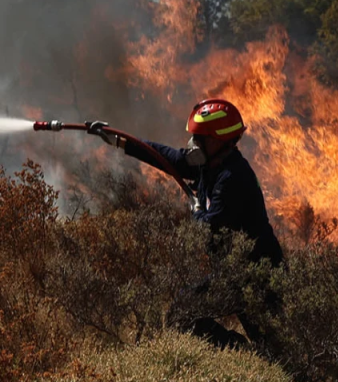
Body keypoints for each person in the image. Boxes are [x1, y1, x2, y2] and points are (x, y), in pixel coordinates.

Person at [88, 98, 284, 347]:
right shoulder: (210, 164)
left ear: (217, 140)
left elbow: (207, 229)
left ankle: (251, 354)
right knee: (184, 312)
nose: (193, 144)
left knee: (275, 348)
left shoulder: (233, 178)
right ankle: (239, 350)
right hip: (234, 272)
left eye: (199, 138)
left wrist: (198, 210)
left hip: (258, 276)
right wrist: (119, 140)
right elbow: (167, 157)